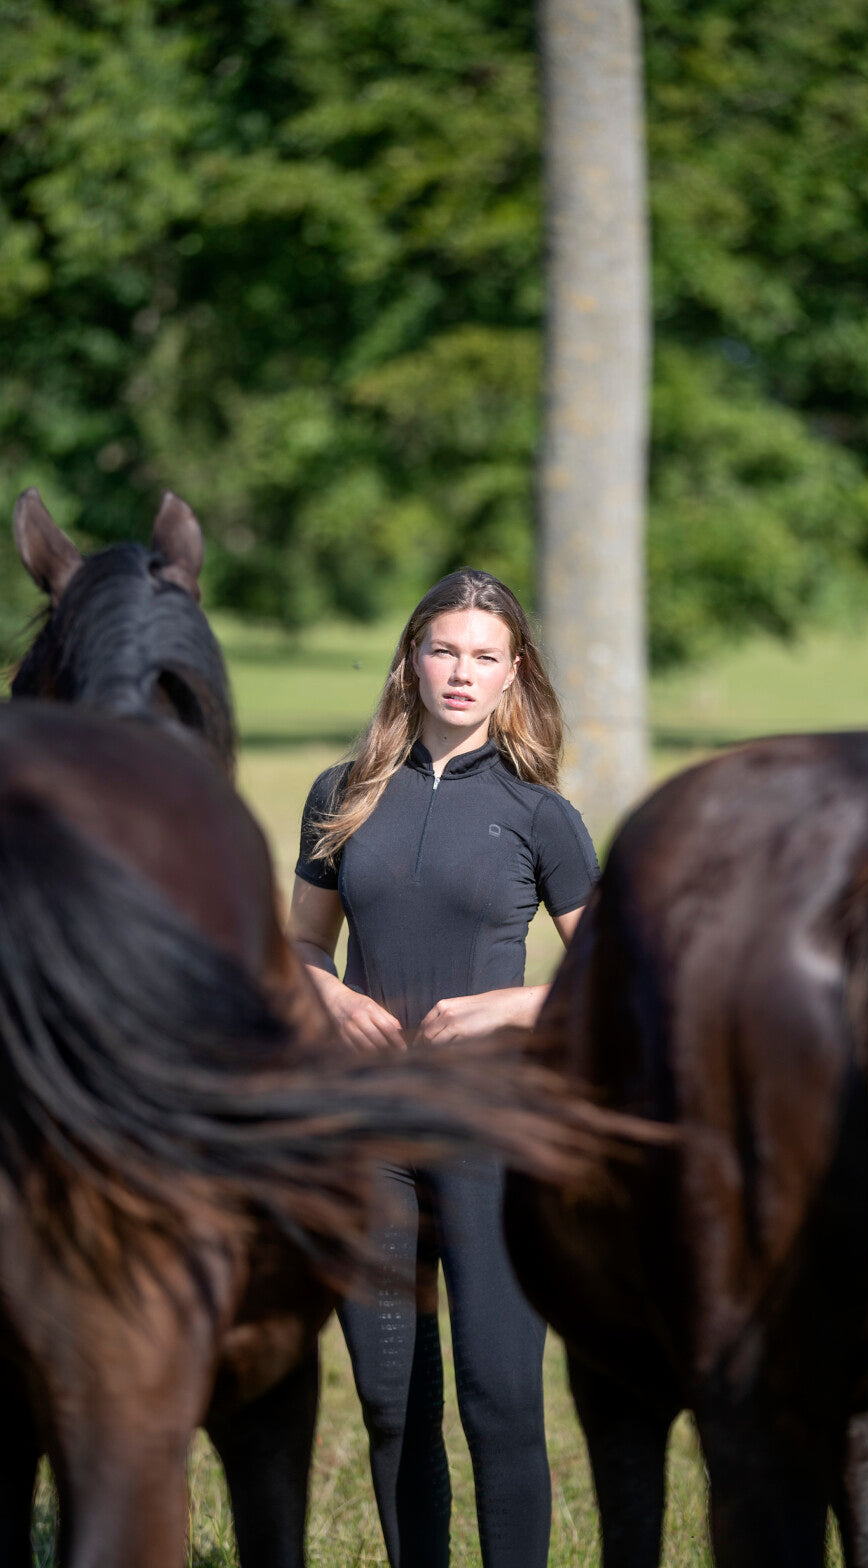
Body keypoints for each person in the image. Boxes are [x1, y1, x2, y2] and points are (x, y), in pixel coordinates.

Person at [287, 568, 599, 1568]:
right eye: (443, 650)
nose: (460, 673)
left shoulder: (539, 815)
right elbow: (296, 950)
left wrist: (509, 1004)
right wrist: (329, 994)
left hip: (487, 1138)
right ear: (411, 659)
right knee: (387, 1401)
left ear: (513, 677)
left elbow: (613, 981)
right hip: (366, 1135)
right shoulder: (340, 796)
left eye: (483, 657)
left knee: (499, 1401)